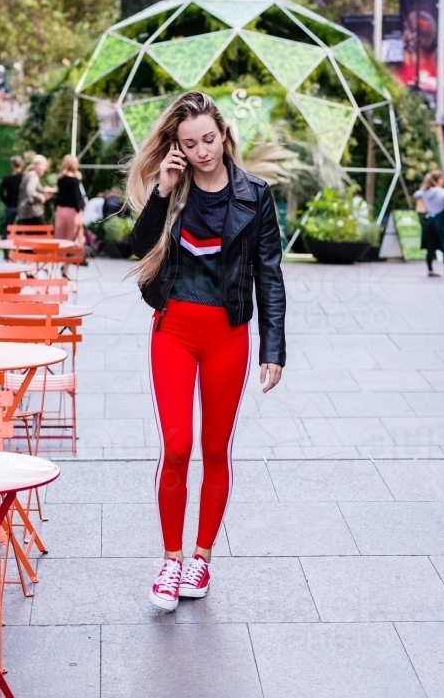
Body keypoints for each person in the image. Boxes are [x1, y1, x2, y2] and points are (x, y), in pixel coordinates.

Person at [127, 90, 286, 612]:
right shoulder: (172, 190)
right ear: (177, 146)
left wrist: (273, 347)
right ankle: (170, 561)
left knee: (216, 450)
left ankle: (201, 557)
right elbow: (135, 244)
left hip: (228, 336)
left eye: (208, 140)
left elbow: (270, 273)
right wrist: (160, 190)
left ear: (223, 134)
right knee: (176, 444)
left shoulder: (254, 195)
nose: (202, 151)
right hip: (173, 328)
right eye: (190, 144)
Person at [54, 155, 85, 246]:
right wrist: (79, 210)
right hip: (72, 210)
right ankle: (70, 256)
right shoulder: (74, 180)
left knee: (60, 235)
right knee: (71, 236)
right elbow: (75, 197)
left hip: (60, 209)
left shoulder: (61, 179)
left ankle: (60, 256)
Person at [17, 154, 50, 225]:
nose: (44, 168)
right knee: (44, 234)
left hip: (24, 213)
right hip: (32, 213)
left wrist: (43, 192)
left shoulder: (27, 175)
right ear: (37, 165)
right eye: (43, 165)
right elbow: (30, 191)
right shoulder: (33, 176)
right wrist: (40, 196)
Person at [0, 155, 23, 238]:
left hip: (10, 205)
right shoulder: (24, 178)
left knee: (8, 228)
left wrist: (7, 201)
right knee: (21, 228)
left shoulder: (7, 178)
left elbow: (1, 192)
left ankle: (6, 247)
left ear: (12, 165)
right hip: (21, 206)